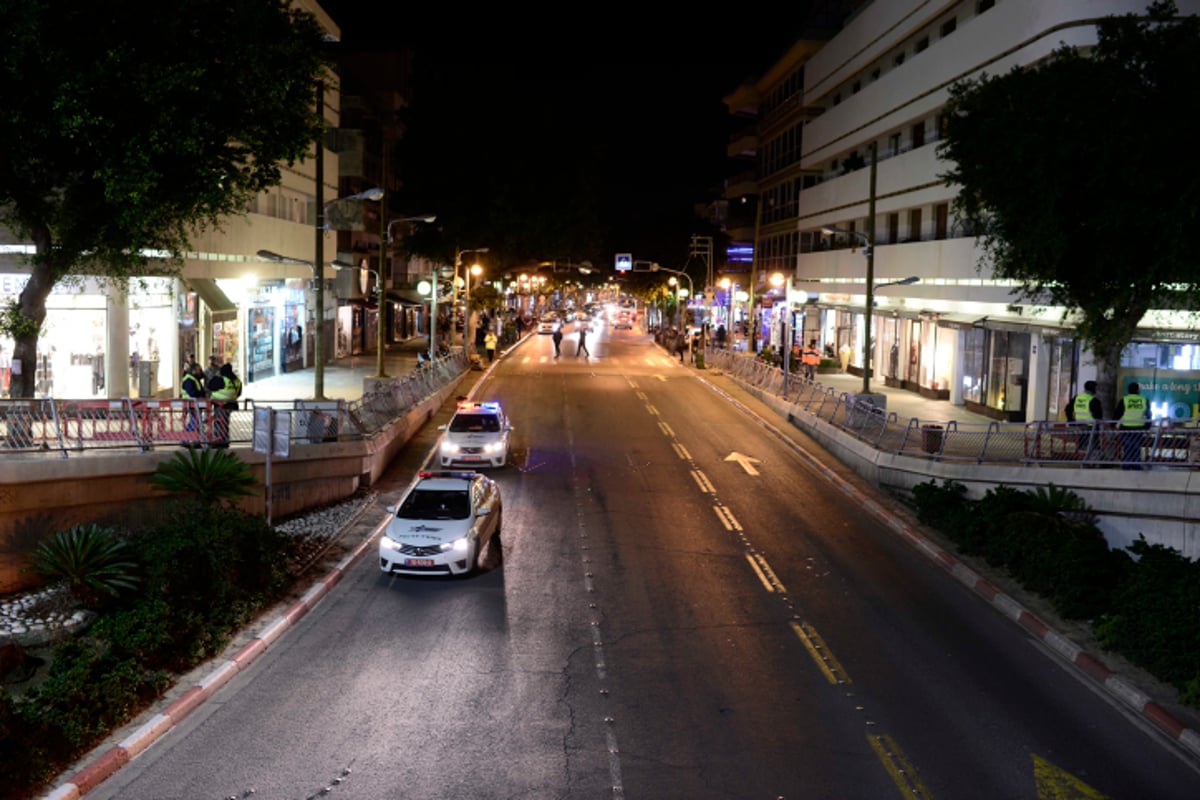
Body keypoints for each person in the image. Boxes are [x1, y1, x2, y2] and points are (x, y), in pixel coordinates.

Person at [1115, 381, 1150, 470]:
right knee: (1136, 446)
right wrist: (1148, 425)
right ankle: (1136, 465)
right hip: (1139, 427)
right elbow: (1148, 414)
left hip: (1126, 427)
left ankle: (1126, 465)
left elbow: (1118, 413)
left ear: (1128, 390)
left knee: (1127, 446)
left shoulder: (1124, 400)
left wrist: (1113, 424)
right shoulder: (1144, 400)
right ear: (1138, 390)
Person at [1066, 380, 1103, 462]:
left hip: (1080, 425)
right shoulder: (1094, 400)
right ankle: (1091, 462)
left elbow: (1068, 409)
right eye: (1095, 388)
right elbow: (1098, 416)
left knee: (1083, 445)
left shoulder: (1077, 397)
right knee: (1093, 445)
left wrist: (1071, 421)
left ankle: (1085, 461)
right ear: (1093, 389)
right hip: (1091, 426)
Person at [208, 362, 242, 445]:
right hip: (231, 404)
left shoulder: (222, 379)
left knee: (218, 422)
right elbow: (239, 393)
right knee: (225, 422)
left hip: (220, 404)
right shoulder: (237, 380)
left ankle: (218, 439)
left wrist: (216, 375)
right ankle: (225, 439)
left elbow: (210, 385)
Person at [181, 361, 207, 433]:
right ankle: (185, 437)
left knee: (196, 422)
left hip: (195, 404)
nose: (200, 372)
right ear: (194, 370)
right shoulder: (189, 379)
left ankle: (192, 439)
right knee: (195, 422)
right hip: (191, 403)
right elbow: (192, 393)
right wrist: (202, 393)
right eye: (199, 370)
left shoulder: (195, 379)